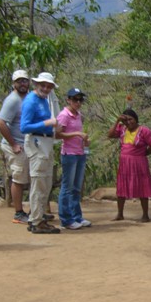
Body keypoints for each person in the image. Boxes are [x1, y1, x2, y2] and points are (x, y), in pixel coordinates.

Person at [20, 71, 62, 234]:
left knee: (45, 182)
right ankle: (36, 221)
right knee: (39, 182)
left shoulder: (44, 100)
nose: (46, 88)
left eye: (49, 86)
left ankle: (38, 217)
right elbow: (24, 127)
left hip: (46, 141)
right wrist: (47, 123)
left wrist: (53, 126)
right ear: (36, 84)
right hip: (36, 142)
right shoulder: (31, 100)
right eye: (43, 85)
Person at [108, 109, 151, 221]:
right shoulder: (122, 129)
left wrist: (143, 154)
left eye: (131, 119)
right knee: (121, 188)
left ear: (136, 119)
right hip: (124, 163)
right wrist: (117, 121)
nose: (128, 122)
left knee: (142, 187)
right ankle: (120, 214)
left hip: (139, 163)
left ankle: (145, 215)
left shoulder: (144, 131)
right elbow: (110, 134)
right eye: (126, 120)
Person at [0, 70, 31, 223]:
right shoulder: (13, 100)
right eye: (19, 81)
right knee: (19, 178)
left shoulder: (30, 97)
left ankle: (34, 211)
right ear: (14, 83)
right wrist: (13, 144)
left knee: (28, 177)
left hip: (28, 144)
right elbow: (1, 122)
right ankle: (18, 212)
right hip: (16, 145)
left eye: (25, 80)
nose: (22, 84)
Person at [57, 88, 91, 230]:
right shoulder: (64, 115)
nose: (78, 102)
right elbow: (57, 134)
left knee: (76, 188)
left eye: (80, 100)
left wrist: (84, 141)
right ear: (68, 100)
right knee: (67, 187)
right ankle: (66, 219)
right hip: (69, 155)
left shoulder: (78, 115)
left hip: (79, 153)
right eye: (75, 99)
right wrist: (76, 133)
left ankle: (76, 216)